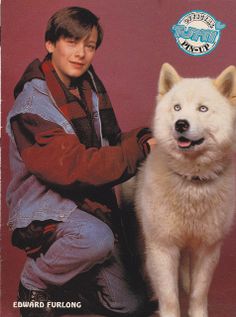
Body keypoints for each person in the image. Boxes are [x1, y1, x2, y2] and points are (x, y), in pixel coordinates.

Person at [6, 6, 156, 317]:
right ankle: (33, 281)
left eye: (89, 45)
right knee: (94, 239)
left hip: (86, 203)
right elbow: (75, 168)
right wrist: (138, 152)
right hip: (44, 206)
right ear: (50, 44)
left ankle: (74, 283)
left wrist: (146, 139)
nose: (81, 53)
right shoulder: (32, 104)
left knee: (130, 304)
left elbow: (113, 140)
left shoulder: (90, 88)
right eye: (72, 42)